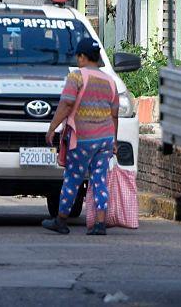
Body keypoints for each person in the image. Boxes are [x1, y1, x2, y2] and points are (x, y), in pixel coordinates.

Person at [42, 38, 120, 236]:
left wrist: (52, 128)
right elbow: (114, 114)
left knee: (73, 178)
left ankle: (61, 220)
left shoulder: (76, 77)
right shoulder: (110, 81)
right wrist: (114, 140)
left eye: (78, 57)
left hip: (82, 138)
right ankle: (100, 224)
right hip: (105, 139)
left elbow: (66, 104)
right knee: (99, 179)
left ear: (83, 57)